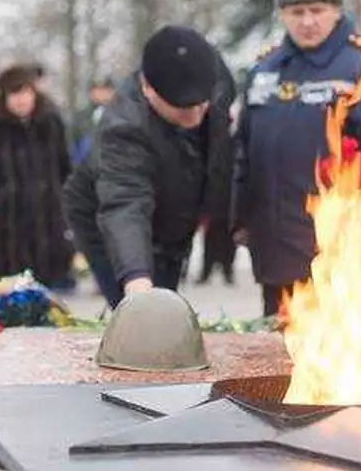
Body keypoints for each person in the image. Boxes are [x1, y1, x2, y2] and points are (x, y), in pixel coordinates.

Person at [232, 0, 361, 316]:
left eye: (317, 9)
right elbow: (244, 148)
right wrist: (238, 216)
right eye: (297, 11)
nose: (308, 21)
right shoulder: (264, 70)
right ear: (282, 14)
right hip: (274, 246)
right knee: (276, 359)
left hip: (336, 245)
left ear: (336, 9)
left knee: (334, 359)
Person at [63, 25, 236, 308]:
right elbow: (125, 205)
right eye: (183, 109)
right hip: (105, 218)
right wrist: (137, 280)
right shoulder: (124, 128)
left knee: (167, 298)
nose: (195, 116)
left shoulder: (215, 80)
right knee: (142, 311)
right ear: (148, 89)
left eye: (200, 105)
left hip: (177, 205)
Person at [0, 64, 73, 287]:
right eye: (13, 94)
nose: (20, 100)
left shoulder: (51, 123)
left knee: (47, 272)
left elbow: (64, 166)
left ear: (34, 93)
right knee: (12, 275)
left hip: (47, 211)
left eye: (24, 93)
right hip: (10, 212)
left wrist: (67, 204)